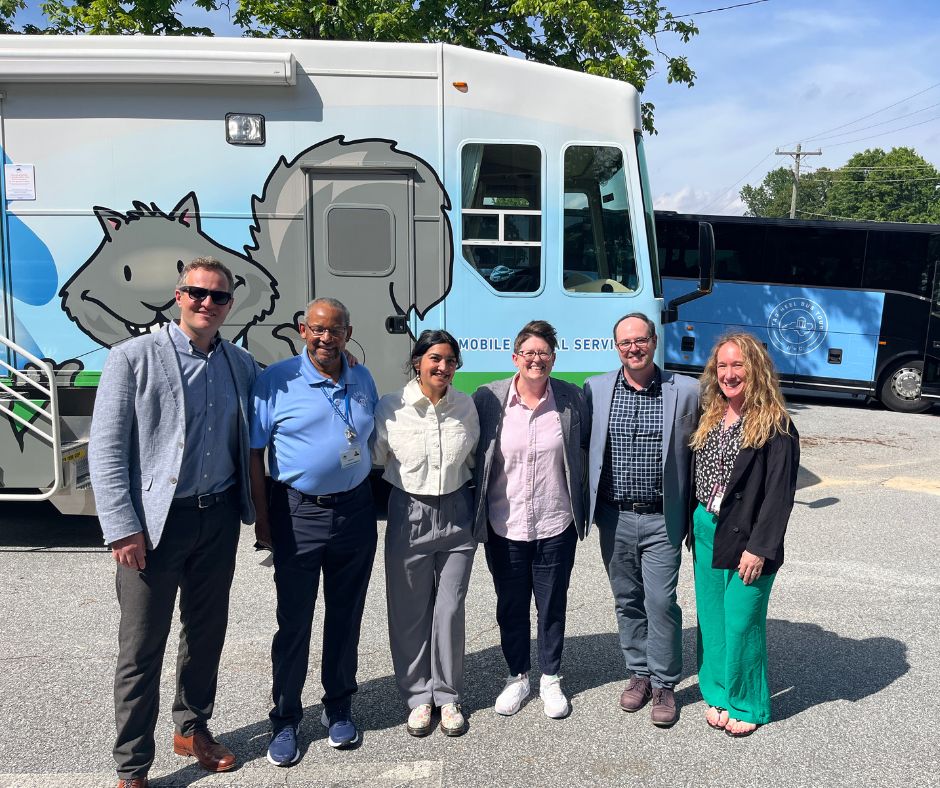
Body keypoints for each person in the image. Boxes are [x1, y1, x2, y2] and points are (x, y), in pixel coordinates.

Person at [89, 257, 258, 788]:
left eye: (218, 297)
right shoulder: (132, 358)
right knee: (141, 648)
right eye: (196, 293)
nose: (206, 303)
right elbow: (107, 448)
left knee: (205, 634)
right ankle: (132, 765)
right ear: (178, 296)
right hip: (155, 525)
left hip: (219, 516)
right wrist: (121, 525)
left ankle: (192, 727)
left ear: (230, 306)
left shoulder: (239, 364)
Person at [249, 297, 379, 767]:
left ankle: (339, 706)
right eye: (318, 329)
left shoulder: (360, 376)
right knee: (295, 622)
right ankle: (285, 719)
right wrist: (262, 520)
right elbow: (255, 455)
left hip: (357, 512)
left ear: (348, 332)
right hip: (297, 512)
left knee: (346, 618)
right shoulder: (275, 380)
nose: (327, 338)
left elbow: (363, 436)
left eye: (336, 330)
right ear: (303, 330)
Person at [584, 312, 699, 728]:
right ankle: (639, 674)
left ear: (653, 341)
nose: (633, 348)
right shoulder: (596, 389)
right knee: (627, 600)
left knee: (661, 603)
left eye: (641, 340)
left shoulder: (686, 391)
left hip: (661, 519)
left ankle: (666, 682)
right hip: (614, 517)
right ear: (617, 347)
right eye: (625, 342)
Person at [473, 320, 589, 719]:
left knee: (552, 604)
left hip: (556, 523)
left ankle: (550, 677)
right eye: (529, 353)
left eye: (544, 353)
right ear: (515, 358)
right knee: (511, 605)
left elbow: (585, 454)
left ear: (553, 358)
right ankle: (517, 676)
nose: (536, 360)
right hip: (505, 524)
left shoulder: (571, 399)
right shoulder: (489, 398)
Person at [689, 332, 799, 737]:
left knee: (741, 622)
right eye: (722, 366)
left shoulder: (776, 425)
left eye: (738, 366)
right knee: (713, 620)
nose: (730, 374)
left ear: (756, 370)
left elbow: (779, 496)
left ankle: (749, 703)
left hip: (749, 539)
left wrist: (760, 548)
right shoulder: (712, 414)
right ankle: (718, 693)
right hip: (706, 527)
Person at [372, 330, 480, 737]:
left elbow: (472, 456)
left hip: (457, 512)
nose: (443, 367)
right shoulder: (392, 406)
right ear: (417, 361)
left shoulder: (466, 407)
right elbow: (377, 457)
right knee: (409, 611)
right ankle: (418, 697)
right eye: (435, 358)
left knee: (449, 609)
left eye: (451, 360)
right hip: (408, 512)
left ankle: (448, 695)